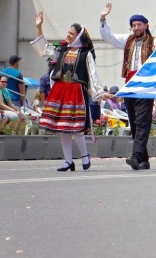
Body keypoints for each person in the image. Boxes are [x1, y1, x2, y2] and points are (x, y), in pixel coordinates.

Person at [30, 12, 105, 171]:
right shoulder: (62, 49)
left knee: (75, 127)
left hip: (76, 91)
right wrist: (39, 26)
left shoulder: (85, 53)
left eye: (71, 33)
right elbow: (44, 49)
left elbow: (92, 73)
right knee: (61, 127)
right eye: (68, 33)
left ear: (79, 36)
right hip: (61, 90)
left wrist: (99, 93)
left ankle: (84, 155)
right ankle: (68, 160)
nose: (68, 35)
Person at [100, 3, 156, 170]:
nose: (136, 28)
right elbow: (109, 37)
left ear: (146, 26)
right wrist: (103, 18)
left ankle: (135, 157)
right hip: (129, 85)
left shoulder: (155, 42)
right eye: (134, 25)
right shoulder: (128, 40)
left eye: (139, 25)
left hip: (145, 86)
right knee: (134, 122)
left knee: (142, 122)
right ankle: (144, 160)